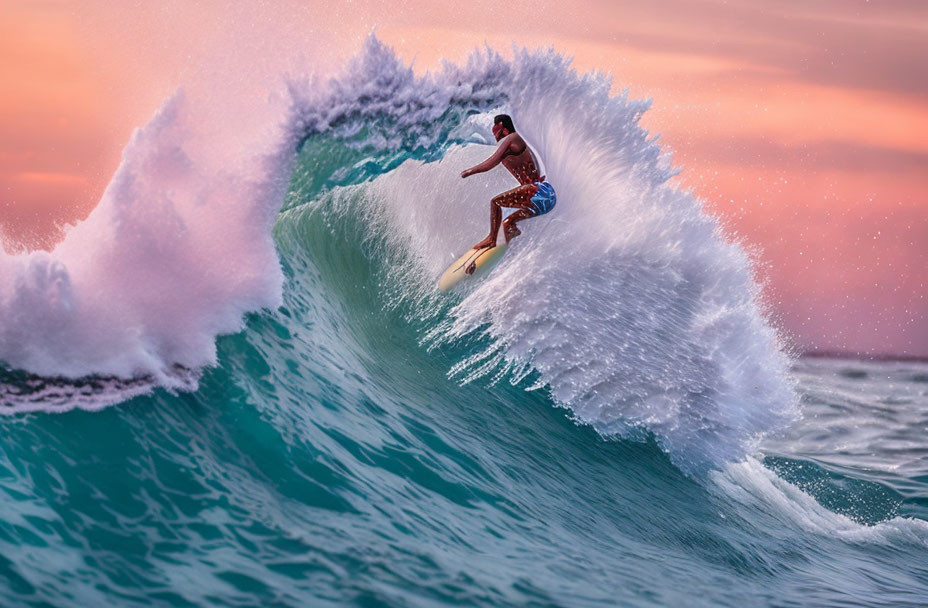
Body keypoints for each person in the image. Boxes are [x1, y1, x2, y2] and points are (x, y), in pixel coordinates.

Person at [460, 114, 556, 250]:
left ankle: (492, 240)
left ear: (503, 128)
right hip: (545, 198)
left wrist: (469, 171)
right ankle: (510, 233)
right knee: (508, 223)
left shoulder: (512, 138)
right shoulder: (521, 142)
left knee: (496, 202)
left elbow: (491, 162)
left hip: (537, 193)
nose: (494, 133)